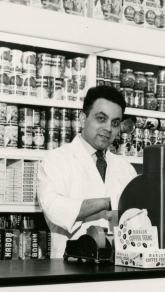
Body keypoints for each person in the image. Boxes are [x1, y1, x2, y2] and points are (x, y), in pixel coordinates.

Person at [38, 86, 137, 258]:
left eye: (115, 123)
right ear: (83, 118)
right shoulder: (56, 159)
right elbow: (54, 208)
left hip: (117, 268)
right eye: (101, 118)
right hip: (70, 269)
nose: (108, 128)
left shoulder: (126, 168)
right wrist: (108, 202)